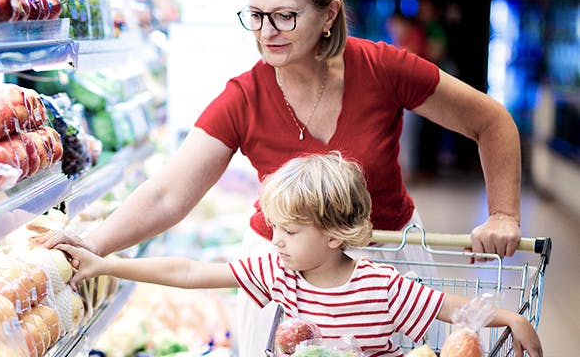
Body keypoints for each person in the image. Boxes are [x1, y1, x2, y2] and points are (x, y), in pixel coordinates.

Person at [35, 0, 523, 352]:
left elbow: (491, 120)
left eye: (285, 16)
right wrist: (94, 244)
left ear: (329, 14)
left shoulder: (382, 68)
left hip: (388, 266)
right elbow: (167, 194)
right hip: (287, 275)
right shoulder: (245, 97)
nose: (267, 32)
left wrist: (503, 214)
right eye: (257, 15)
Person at [56, 153, 542, 357]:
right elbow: (189, 271)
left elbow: (449, 307)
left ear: (335, 235)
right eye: (276, 229)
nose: (278, 241)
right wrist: (107, 261)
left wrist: (509, 318)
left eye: (289, 230)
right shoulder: (279, 273)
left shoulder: (380, 285)